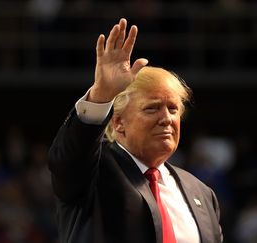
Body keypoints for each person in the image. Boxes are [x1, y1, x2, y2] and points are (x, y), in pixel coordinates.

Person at [48, 18, 223, 243]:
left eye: (173, 109)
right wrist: (101, 95)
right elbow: (67, 159)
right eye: (152, 108)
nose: (166, 118)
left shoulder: (201, 193)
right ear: (118, 122)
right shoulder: (92, 173)